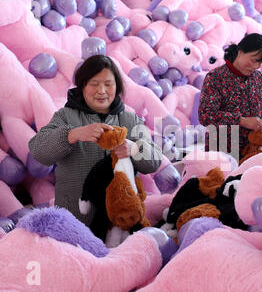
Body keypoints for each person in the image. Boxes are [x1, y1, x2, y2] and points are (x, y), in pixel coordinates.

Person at [29, 55, 162, 233]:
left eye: (108, 84)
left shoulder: (130, 120)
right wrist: (72, 134)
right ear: (82, 86)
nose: (102, 91)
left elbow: (154, 161)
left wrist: (134, 148)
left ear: (117, 86)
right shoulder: (65, 116)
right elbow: (39, 151)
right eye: (94, 83)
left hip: (120, 224)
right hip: (74, 222)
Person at [198, 33, 262, 160]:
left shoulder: (260, 78)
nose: (256, 66)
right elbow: (205, 116)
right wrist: (241, 120)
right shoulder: (215, 77)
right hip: (222, 151)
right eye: (254, 60)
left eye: (260, 62)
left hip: (255, 150)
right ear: (240, 52)